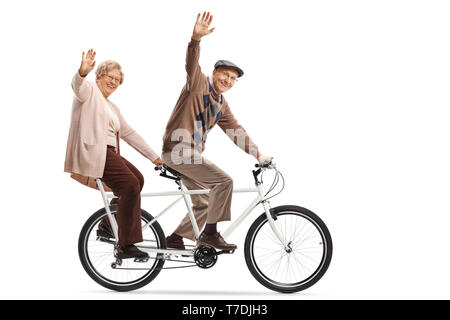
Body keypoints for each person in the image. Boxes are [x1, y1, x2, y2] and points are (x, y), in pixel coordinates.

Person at [161, 12, 271, 251]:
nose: (228, 81)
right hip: (178, 151)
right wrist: (195, 40)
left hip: (191, 156)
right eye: (225, 75)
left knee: (203, 202)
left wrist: (258, 155)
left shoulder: (221, 104)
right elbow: (191, 63)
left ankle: (175, 239)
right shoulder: (197, 83)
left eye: (233, 79)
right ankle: (210, 235)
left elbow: (236, 132)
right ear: (215, 72)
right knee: (224, 182)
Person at [64, 49, 163, 259]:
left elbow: (129, 133)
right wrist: (82, 72)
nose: (114, 82)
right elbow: (77, 86)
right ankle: (126, 245)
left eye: (118, 80)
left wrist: (155, 157)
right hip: (94, 152)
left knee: (138, 180)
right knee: (130, 185)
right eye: (110, 77)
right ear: (99, 76)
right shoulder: (89, 91)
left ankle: (108, 226)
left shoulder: (113, 108)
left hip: (109, 152)